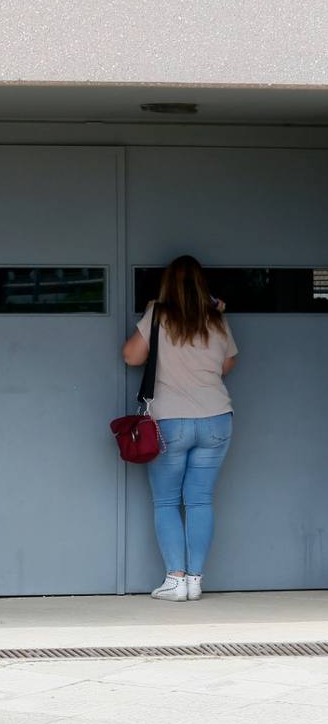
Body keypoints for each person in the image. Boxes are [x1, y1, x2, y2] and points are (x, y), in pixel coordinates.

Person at [123, 255, 238, 602]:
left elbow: (131, 357)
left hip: (170, 422)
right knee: (201, 500)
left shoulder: (157, 315)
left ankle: (175, 580)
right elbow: (227, 365)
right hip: (216, 419)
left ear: (167, 285)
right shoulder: (216, 320)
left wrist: (150, 313)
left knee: (167, 502)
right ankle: (196, 580)